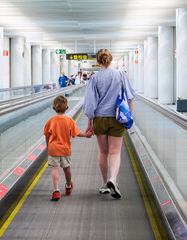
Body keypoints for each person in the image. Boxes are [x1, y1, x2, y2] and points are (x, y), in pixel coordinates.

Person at [83, 49, 135, 199]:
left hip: (99, 118)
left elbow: (90, 103)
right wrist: (129, 118)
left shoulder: (94, 78)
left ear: (98, 62)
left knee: (103, 152)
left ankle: (105, 183)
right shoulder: (121, 75)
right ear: (111, 59)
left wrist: (89, 123)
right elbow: (130, 98)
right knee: (115, 152)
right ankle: (114, 179)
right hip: (117, 117)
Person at [44, 95, 92, 201]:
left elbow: (47, 136)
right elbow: (77, 133)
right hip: (65, 149)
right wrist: (86, 134)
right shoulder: (69, 121)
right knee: (67, 168)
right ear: (67, 108)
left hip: (53, 149)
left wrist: (48, 148)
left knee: (55, 169)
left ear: (53, 108)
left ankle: (56, 190)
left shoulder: (50, 121)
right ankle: (69, 185)